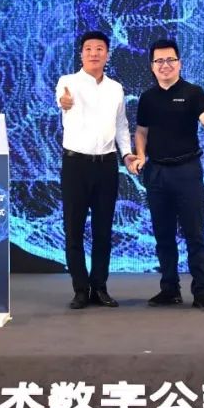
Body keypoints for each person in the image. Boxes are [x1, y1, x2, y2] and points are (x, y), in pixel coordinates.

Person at [131, 38, 204, 311]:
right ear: (152, 66)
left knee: (195, 234)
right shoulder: (147, 98)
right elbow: (141, 131)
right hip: (157, 173)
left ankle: (202, 292)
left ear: (179, 63)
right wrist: (141, 155)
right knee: (163, 235)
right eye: (159, 61)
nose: (165, 65)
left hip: (187, 171)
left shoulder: (193, 93)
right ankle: (169, 289)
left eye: (170, 60)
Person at [56, 30, 137, 309]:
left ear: (107, 54)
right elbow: (62, 100)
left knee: (103, 231)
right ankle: (80, 289)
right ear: (81, 54)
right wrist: (64, 102)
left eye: (99, 48)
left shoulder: (115, 88)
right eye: (88, 48)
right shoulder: (67, 82)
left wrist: (127, 154)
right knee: (74, 230)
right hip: (75, 165)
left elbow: (122, 126)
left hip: (106, 166)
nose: (94, 53)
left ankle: (100, 287)